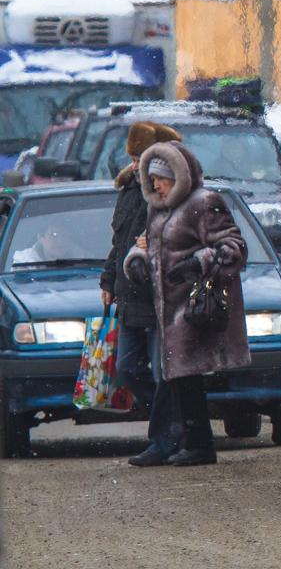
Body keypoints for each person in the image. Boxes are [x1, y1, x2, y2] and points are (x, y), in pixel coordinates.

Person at [125, 139, 249, 467]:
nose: (155, 186)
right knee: (178, 378)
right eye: (152, 180)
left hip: (193, 308)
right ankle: (190, 443)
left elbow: (234, 247)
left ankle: (199, 445)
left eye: (161, 179)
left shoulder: (204, 202)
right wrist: (137, 261)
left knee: (185, 377)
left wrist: (199, 262)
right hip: (167, 308)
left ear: (177, 177)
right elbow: (151, 246)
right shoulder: (159, 208)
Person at [100, 121, 182, 467]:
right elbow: (118, 245)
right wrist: (108, 281)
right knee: (128, 369)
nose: (134, 164)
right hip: (129, 296)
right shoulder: (130, 191)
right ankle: (177, 422)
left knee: (164, 373)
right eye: (132, 158)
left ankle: (165, 439)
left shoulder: (167, 194)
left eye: (140, 157)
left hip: (157, 297)